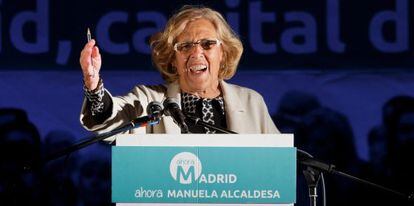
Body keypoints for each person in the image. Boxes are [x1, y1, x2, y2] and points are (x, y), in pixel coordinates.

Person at [79, 5, 279, 139]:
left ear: (223, 54)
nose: (196, 53)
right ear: (173, 60)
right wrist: (93, 86)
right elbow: (110, 120)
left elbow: (277, 165)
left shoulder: (251, 102)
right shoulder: (151, 101)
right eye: (185, 47)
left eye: (208, 44)